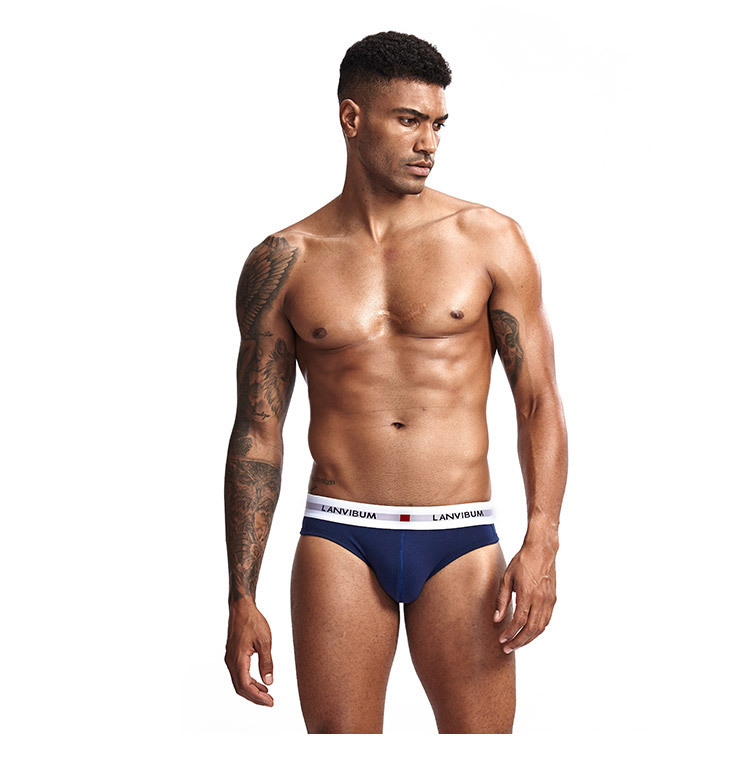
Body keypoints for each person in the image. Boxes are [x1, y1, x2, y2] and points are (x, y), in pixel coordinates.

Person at [224, 30, 568, 734]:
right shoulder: (284, 260)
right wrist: (241, 595)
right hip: (340, 537)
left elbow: (538, 401)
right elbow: (257, 431)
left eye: (438, 123)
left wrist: (542, 540)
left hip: (460, 537)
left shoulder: (488, 238)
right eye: (409, 120)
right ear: (352, 118)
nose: (429, 143)